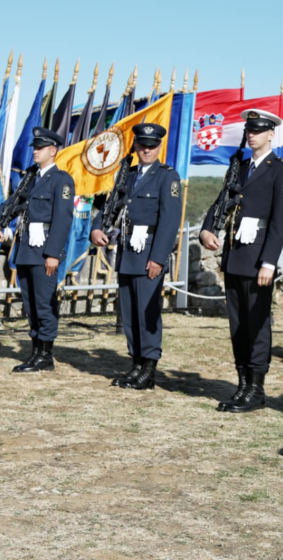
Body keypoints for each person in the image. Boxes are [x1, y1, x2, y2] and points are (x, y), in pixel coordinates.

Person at [201, 109, 283, 413]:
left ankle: (256, 388)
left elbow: (280, 221)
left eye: (258, 130)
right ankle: (242, 383)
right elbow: (222, 200)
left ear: (271, 134)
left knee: (256, 324)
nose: (251, 134)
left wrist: (270, 261)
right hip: (234, 256)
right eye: (249, 130)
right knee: (238, 324)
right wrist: (206, 228)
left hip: (258, 261)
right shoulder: (238, 167)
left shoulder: (282, 170)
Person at [90, 123, 182, 391]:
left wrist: (158, 258)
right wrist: (97, 227)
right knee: (129, 312)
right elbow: (110, 205)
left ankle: (149, 368)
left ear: (159, 147)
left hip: (150, 252)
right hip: (128, 250)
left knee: (147, 311)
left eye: (151, 146)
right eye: (142, 145)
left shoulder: (167, 177)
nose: (146, 150)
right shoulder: (127, 176)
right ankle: (136, 363)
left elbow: (169, 220)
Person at [0, 127, 75, 373]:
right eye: (34, 147)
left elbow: (62, 219)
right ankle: (36, 351)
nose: (35, 152)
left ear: (53, 151)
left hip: (45, 251)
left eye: (40, 148)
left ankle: (45, 355)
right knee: (31, 303)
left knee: (44, 303)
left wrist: (53, 254)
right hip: (26, 249)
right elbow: (11, 203)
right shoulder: (30, 177)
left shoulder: (61, 180)